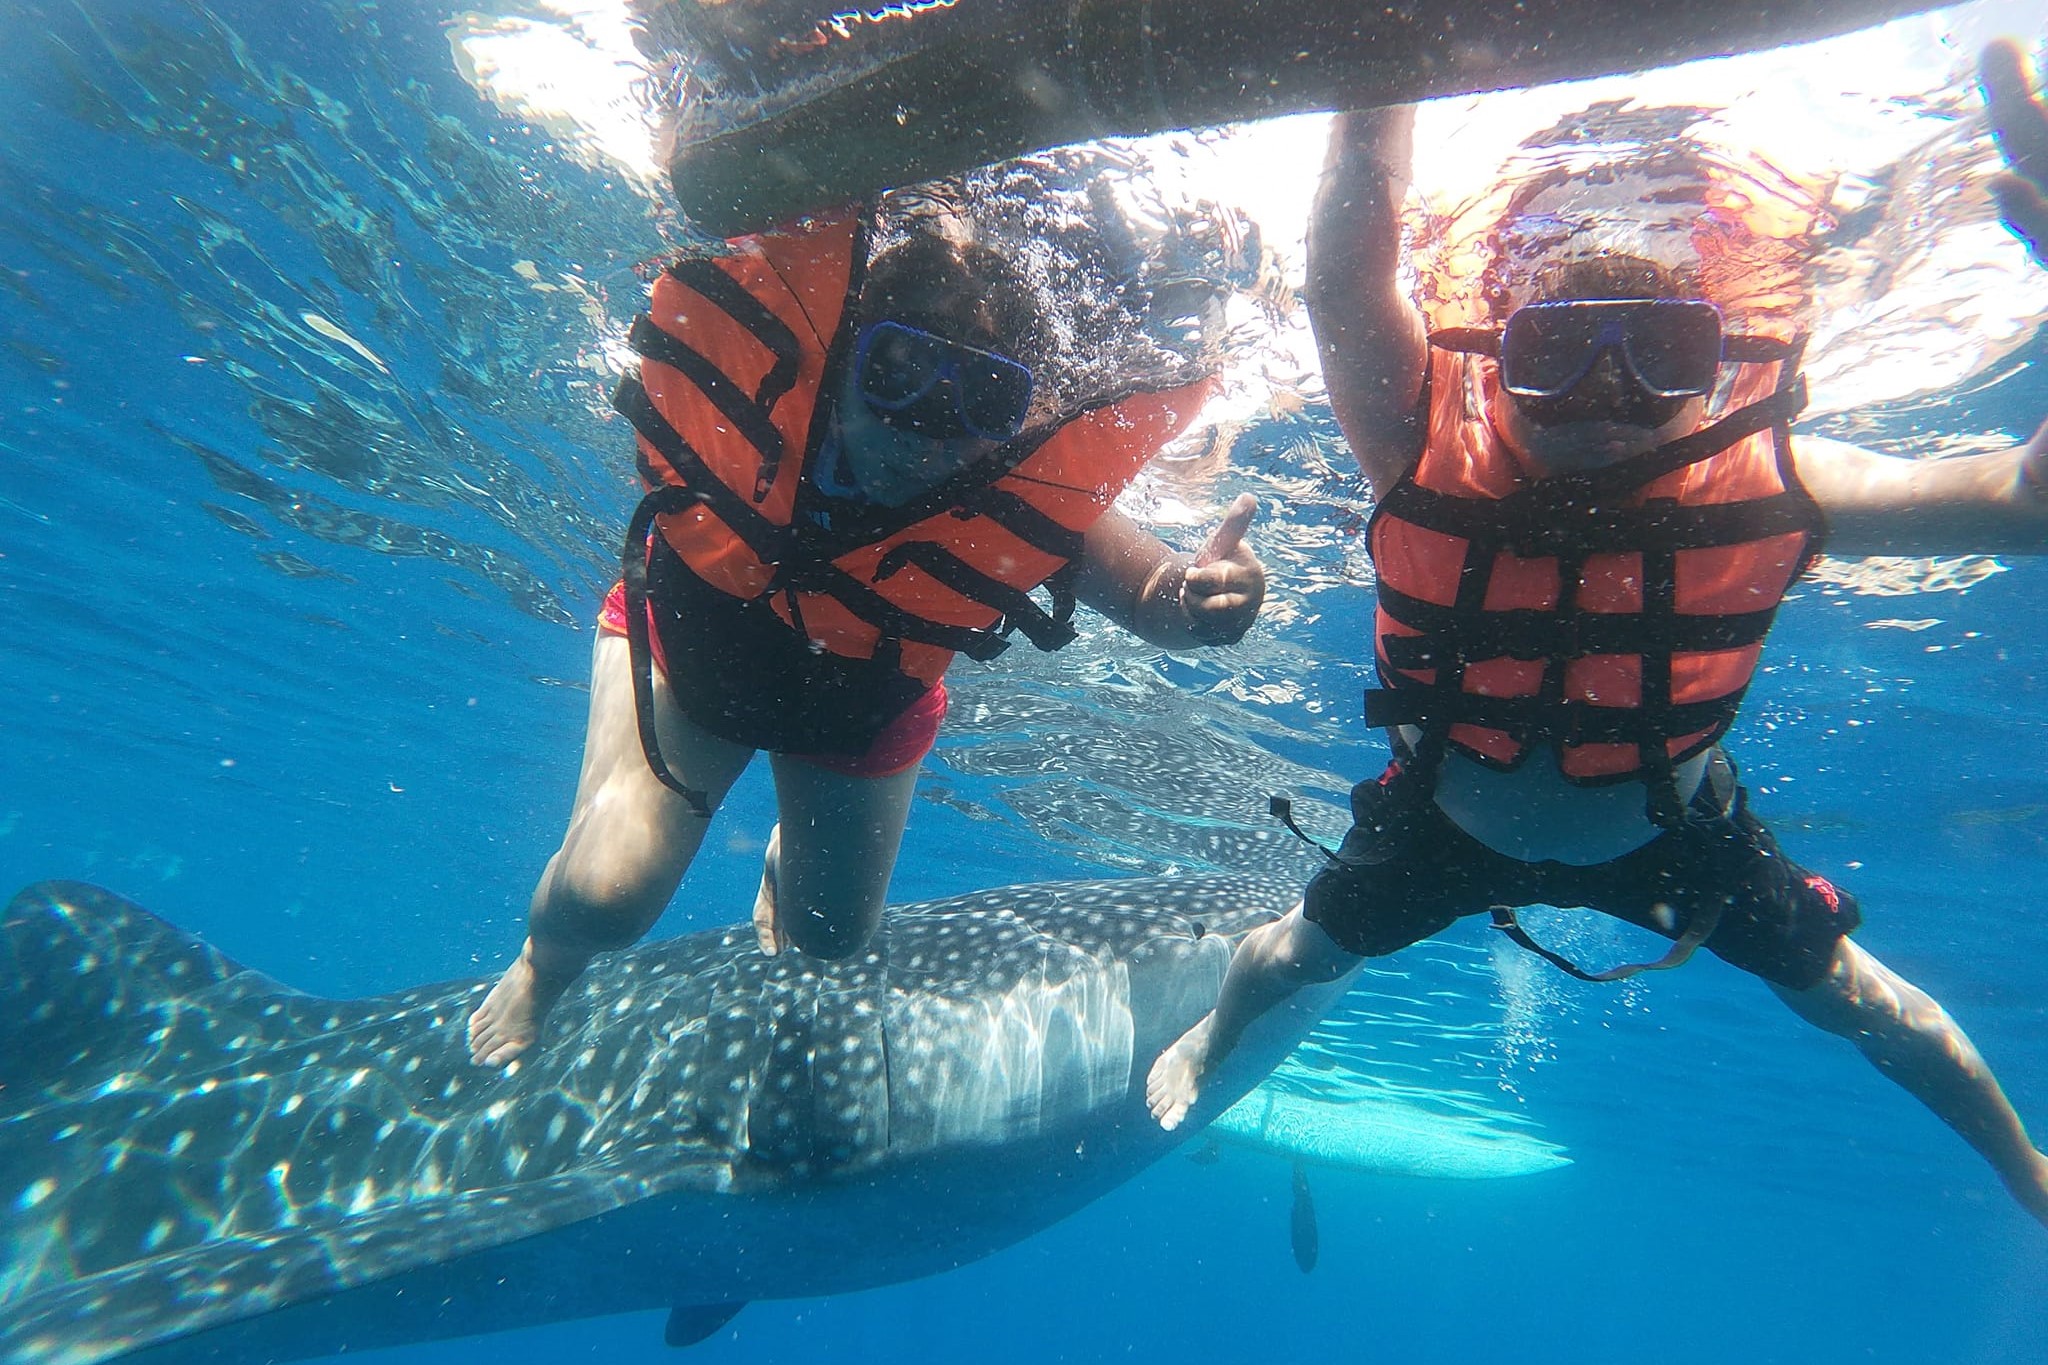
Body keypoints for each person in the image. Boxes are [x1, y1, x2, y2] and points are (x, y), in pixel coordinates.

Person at [1147, 49, 2048, 1226]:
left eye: (1659, 359)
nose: (1603, 401)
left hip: (1670, 837)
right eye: (1553, 356)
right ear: (1492, 360)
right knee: (1282, 964)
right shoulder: (1416, 444)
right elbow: (1342, 287)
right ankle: (1213, 1046)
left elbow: (2023, 505)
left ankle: (2026, 1169)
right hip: (1439, 822)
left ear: (1716, 371)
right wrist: (1377, 75)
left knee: (1864, 1007)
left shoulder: (1782, 481)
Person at [468, 187, 1267, 1068]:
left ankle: (787, 861)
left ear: (1021, 420)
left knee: (831, 941)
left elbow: (1154, 593)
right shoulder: (766, 417)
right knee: (606, 893)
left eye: (984, 397)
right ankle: (545, 966)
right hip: (691, 655)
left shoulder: (1020, 498)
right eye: (896, 373)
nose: (926, 426)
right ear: (842, 358)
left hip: (858, 714)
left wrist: (1203, 604)